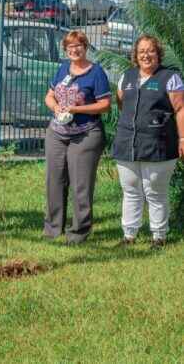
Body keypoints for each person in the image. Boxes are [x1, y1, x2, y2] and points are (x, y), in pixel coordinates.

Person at [112, 34, 184, 249]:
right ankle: (129, 235)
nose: (146, 55)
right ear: (135, 54)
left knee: (155, 191)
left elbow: (180, 109)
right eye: (141, 51)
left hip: (159, 144)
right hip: (127, 143)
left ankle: (159, 236)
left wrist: (182, 138)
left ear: (158, 54)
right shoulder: (127, 76)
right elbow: (121, 103)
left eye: (150, 50)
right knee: (131, 190)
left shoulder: (170, 77)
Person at [44, 30, 111, 244]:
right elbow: (50, 95)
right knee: (54, 181)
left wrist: (76, 109)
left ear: (86, 47)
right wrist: (55, 107)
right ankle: (53, 228)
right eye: (70, 47)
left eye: (78, 45)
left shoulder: (96, 72)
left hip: (86, 134)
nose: (74, 50)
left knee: (81, 184)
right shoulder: (63, 68)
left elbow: (105, 105)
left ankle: (79, 232)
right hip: (57, 133)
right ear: (66, 49)